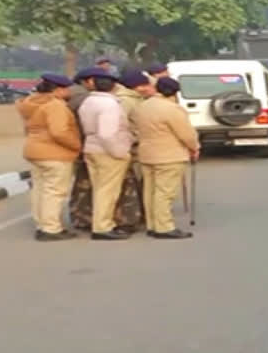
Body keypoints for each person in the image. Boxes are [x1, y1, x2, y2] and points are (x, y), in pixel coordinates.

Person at [17, 73, 83, 241]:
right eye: (66, 89)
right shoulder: (55, 106)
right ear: (58, 90)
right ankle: (51, 229)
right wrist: (77, 145)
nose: (69, 92)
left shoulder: (30, 103)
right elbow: (59, 132)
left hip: (34, 150)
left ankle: (42, 224)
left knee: (39, 189)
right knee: (55, 191)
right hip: (55, 153)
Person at [135, 77, 199, 239]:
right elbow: (186, 134)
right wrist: (194, 147)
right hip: (169, 155)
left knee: (150, 191)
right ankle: (164, 227)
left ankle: (152, 224)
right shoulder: (172, 109)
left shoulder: (142, 107)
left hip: (147, 153)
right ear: (175, 92)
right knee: (165, 192)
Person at [77, 67, 134, 241]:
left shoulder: (88, 101)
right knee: (108, 191)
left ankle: (100, 223)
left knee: (100, 189)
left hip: (92, 147)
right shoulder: (109, 104)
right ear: (113, 86)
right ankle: (103, 226)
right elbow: (107, 134)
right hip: (107, 150)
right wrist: (120, 153)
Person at [111, 69, 154, 234]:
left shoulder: (136, 99)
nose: (146, 87)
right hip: (131, 147)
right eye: (143, 85)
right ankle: (126, 220)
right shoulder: (126, 101)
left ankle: (137, 216)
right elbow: (123, 125)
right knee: (129, 186)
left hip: (137, 146)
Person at [66, 67, 100, 231]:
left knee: (81, 183)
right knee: (85, 183)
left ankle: (80, 216)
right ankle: (84, 217)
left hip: (75, 144)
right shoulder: (82, 97)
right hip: (81, 143)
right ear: (86, 81)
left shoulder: (71, 93)